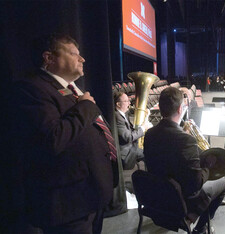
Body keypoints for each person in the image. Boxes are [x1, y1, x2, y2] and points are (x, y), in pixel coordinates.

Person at [14, 34, 118, 233]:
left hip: (90, 198)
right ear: (49, 58)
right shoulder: (32, 88)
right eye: (74, 54)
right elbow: (52, 139)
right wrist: (86, 106)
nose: (82, 59)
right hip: (69, 207)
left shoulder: (70, 89)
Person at [144, 87, 225, 234]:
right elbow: (195, 184)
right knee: (223, 182)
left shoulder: (149, 134)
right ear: (179, 109)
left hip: (155, 196)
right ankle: (201, 228)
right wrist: (207, 167)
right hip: (179, 202)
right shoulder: (186, 140)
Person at [114, 91, 152, 170]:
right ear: (118, 104)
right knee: (151, 154)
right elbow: (128, 137)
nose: (129, 103)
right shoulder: (117, 117)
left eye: (129, 100)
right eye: (126, 101)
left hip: (130, 148)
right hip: (126, 155)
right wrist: (143, 128)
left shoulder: (123, 113)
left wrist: (145, 112)